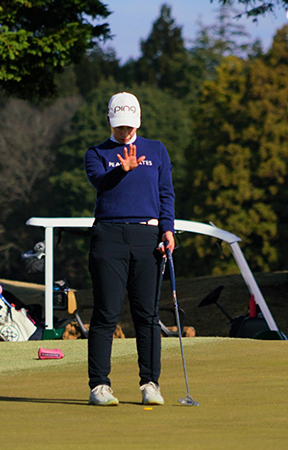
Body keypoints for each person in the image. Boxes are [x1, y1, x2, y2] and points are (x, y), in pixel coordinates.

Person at [84, 92, 176, 407]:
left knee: (147, 315)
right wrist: (121, 170)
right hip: (108, 236)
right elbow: (100, 182)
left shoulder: (157, 149)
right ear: (110, 121)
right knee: (106, 313)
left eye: (129, 126)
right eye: (120, 126)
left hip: (147, 236)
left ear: (138, 121)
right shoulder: (96, 153)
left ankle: (150, 384)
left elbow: (166, 193)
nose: (125, 132)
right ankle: (99, 386)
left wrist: (167, 228)